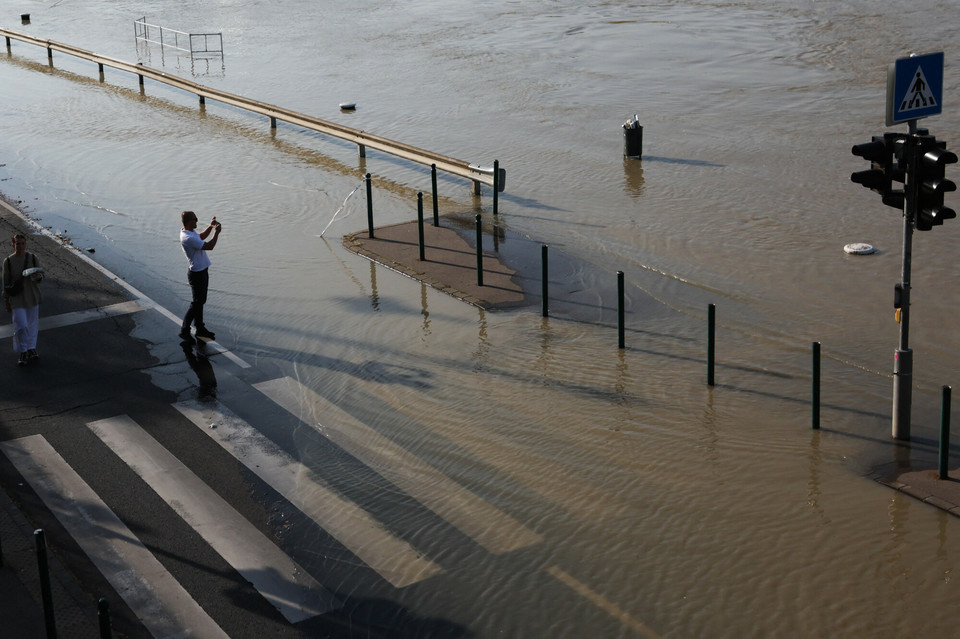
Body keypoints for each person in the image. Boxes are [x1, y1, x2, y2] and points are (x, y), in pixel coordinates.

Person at [179, 210, 222, 343]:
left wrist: (210, 227)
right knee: (197, 303)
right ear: (188, 221)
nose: (197, 221)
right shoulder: (188, 237)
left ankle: (199, 328)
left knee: (200, 302)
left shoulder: (188, 232)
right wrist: (217, 233)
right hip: (197, 273)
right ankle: (185, 330)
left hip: (201, 271)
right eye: (195, 219)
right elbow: (209, 246)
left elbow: (201, 237)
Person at [3, 233, 44, 366]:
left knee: (32, 325)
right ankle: (23, 350)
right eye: (17, 243)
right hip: (17, 299)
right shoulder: (8, 261)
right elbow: (6, 283)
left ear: (25, 244)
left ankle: (31, 348)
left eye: (22, 243)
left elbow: (40, 276)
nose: (20, 246)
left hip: (32, 296)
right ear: (13, 245)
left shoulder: (32, 258)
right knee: (21, 325)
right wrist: (6, 301)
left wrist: (38, 277)